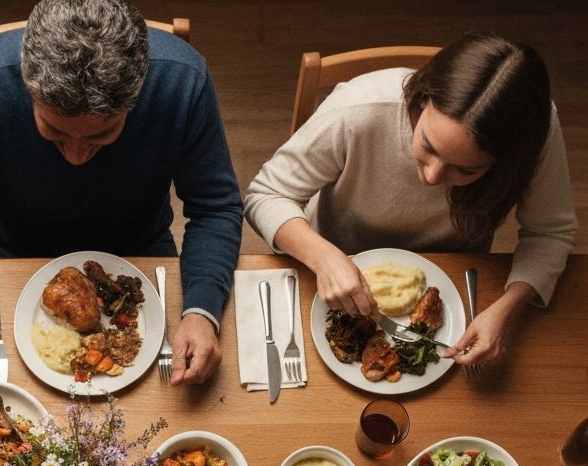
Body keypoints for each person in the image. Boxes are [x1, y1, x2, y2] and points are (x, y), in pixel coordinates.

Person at [0, 0, 243, 388]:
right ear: (28, 88)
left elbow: (216, 207)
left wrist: (202, 310)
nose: (77, 159)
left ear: (137, 95)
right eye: (55, 132)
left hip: (142, 249)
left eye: (102, 135)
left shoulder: (182, 81)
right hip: (11, 250)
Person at [243, 33, 576, 366]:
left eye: (465, 169)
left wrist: (508, 308)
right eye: (428, 145)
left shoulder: (534, 134)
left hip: (456, 278)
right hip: (330, 264)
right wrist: (322, 257)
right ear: (423, 99)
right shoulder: (359, 110)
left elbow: (549, 233)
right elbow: (265, 194)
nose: (431, 177)